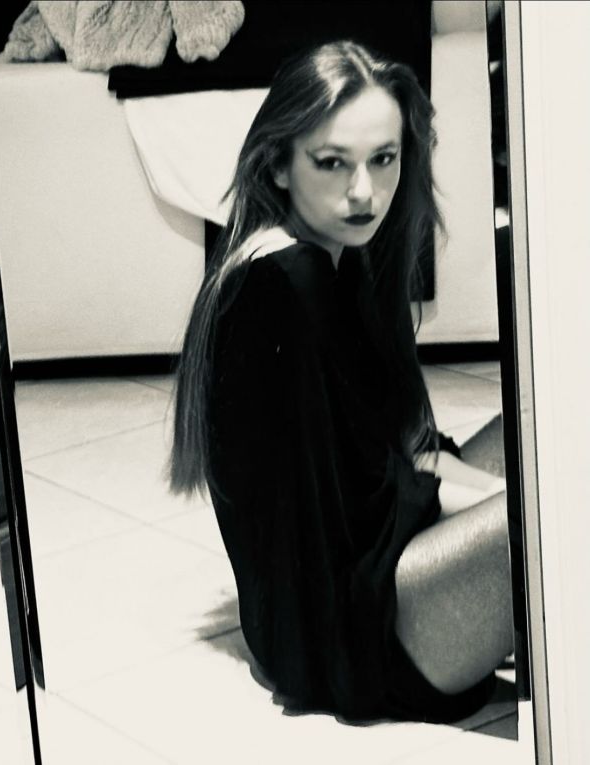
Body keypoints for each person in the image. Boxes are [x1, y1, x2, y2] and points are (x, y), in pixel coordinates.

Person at [166, 39, 513, 723]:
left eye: (384, 159)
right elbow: (366, 506)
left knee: (542, 426)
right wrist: (510, 504)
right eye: (332, 162)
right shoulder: (285, 284)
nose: (364, 191)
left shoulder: (333, 251)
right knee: (559, 504)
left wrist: (494, 495)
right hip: (352, 633)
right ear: (279, 164)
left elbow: (398, 451)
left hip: (368, 576)